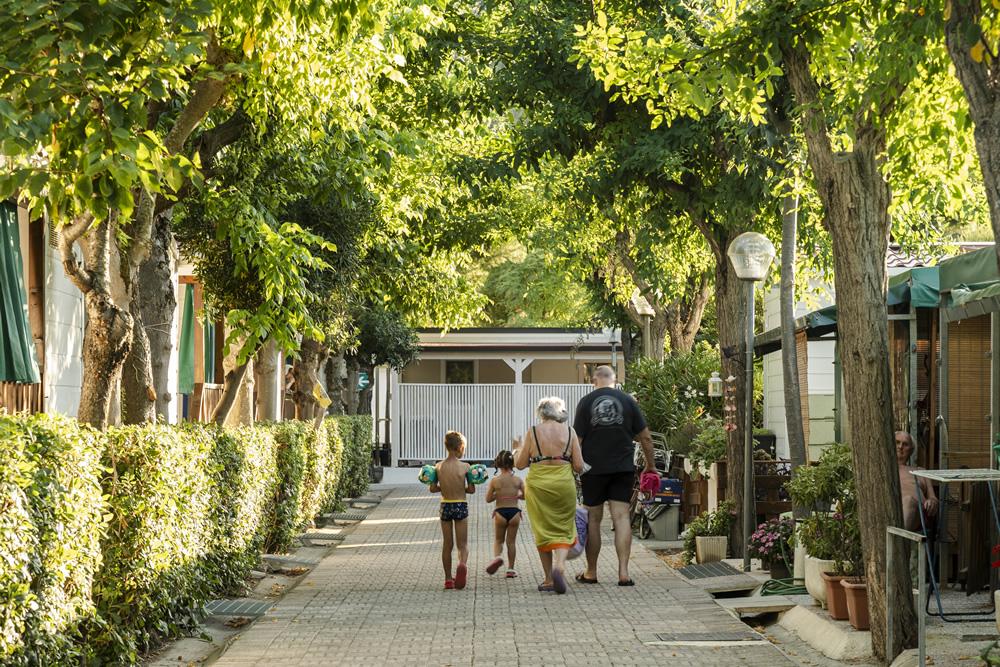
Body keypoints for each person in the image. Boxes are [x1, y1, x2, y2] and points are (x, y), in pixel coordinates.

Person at [573, 365, 657, 586]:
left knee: (593, 519)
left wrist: (575, 467)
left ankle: (591, 572)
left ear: (594, 380)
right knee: (621, 518)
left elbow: (577, 441)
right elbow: (646, 438)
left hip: (593, 470)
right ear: (615, 379)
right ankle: (623, 573)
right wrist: (651, 466)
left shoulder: (586, 402)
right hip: (622, 468)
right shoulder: (629, 402)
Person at [514, 396, 584, 594]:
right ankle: (560, 566)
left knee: (542, 528)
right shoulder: (570, 432)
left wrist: (518, 449)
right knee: (563, 526)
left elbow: (520, 464)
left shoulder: (533, 431)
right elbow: (579, 466)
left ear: (541, 413)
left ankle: (547, 579)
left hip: (538, 486)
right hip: (563, 484)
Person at [429, 431, 476, 590]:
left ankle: (448, 579)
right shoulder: (465, 467)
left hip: (446, 506)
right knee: (462, 544)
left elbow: (432, 488)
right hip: (460, 504)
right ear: (460, 447)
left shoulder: (438, 466)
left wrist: (444, 487)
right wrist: (461, 487)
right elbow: (471, 489)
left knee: (447, 544)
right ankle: (462, 564)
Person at [485, 450, 524, 578]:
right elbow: (526, 496)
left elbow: (488, 499)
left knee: (498, 540)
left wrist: (498, 494)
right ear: (512, 464)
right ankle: (511, 569)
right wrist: (517, 495)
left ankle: (497, 558)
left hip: (500, 513)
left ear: (498, 465)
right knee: (511, 542)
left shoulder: (495, 481)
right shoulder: (518, 480)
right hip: (514, 513)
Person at [897, 431, 938, 531]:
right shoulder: (885, 469)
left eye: (905, 444)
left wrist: (932, 502)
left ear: (911, 450)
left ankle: (899, 541)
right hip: (891, 510)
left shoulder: (921, 471)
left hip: (918, 514)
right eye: (897, 442)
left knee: (909, 501)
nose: (900, 446)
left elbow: (933, 498)